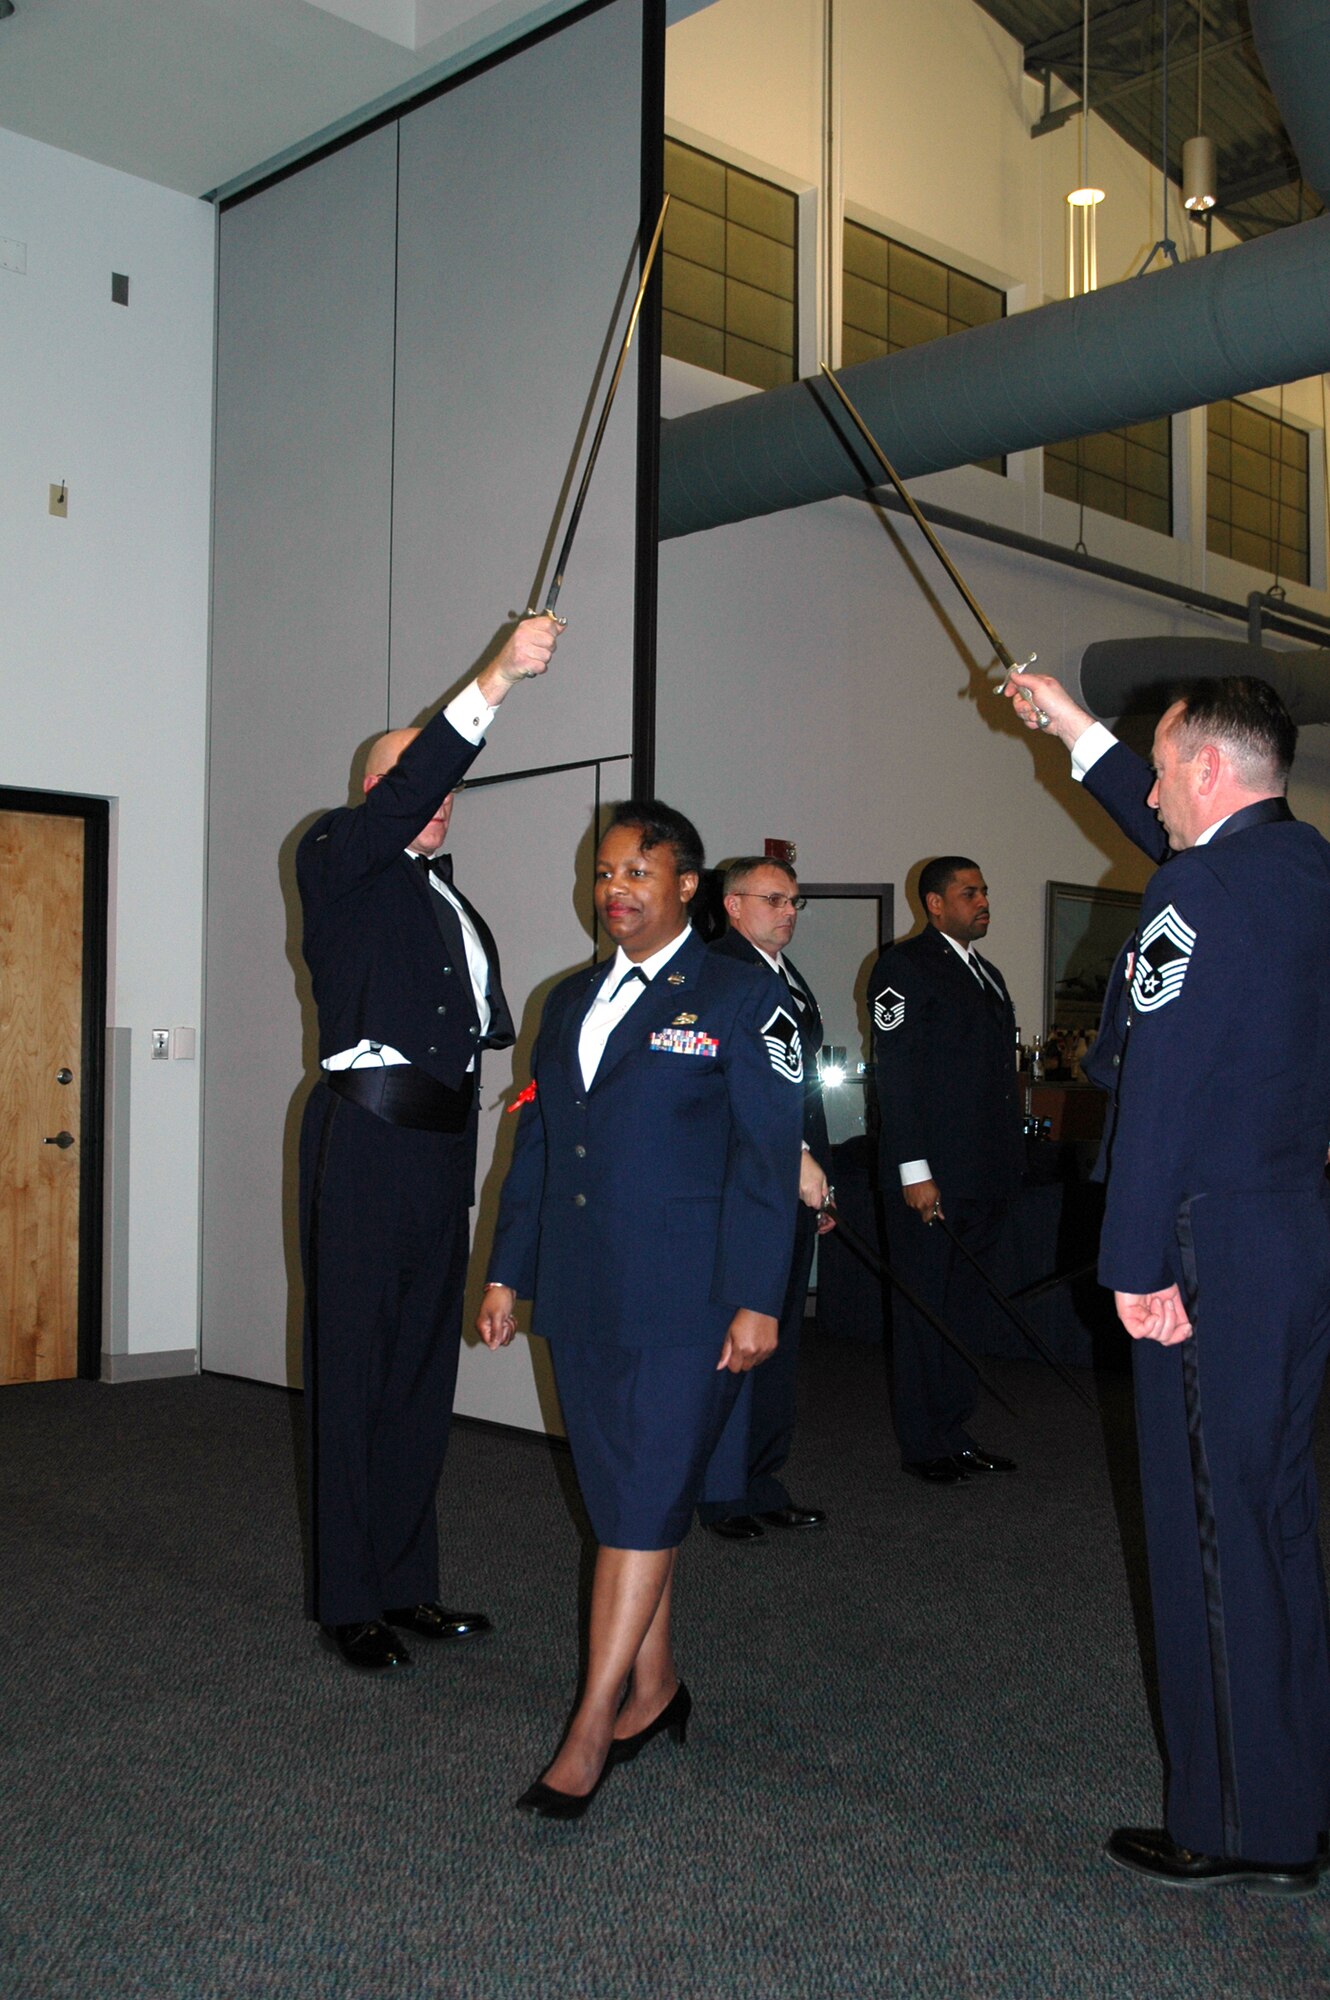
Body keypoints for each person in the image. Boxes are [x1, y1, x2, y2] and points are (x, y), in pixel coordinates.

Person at [1004, 668, 1330, 1893]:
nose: (1145, 789)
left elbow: (1157, 1099)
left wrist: (1128, 1264)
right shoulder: (1302, 870)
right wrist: (1072, 726)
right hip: (1291, 1228)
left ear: (1204, 768)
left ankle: (1237, 1825)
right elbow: (1187, 848)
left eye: (1156, 762)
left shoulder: (1199, 892)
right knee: (1273, 1521)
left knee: (1209, 1535)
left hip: (1202, 1245)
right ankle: (1295, 1791)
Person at [478, 802, 803, 1819]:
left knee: (640, 1500)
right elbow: (538, 1146)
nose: (615, 888)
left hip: (688, 1296)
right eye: (604, 872)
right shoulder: (567, 998)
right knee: (628, 1497)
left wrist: (759, 1295)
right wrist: (505, 1270)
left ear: (687, 886)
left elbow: (765, 1155)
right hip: (581, 1287)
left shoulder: (741, 995)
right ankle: (657, 1690)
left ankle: (591, 1726)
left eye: (638, 872)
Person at [296, 614, 560, 1673]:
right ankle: (346, 1598)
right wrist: (495, 678)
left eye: (447, 787)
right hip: (363, 1141)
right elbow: (411, 783)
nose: (439, 798)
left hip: (435, 1151)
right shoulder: (337, 856)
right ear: (377, 796)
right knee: (354, 1370)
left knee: (414, 1375)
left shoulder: (448, 898)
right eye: (417, 783)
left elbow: (476, 1026)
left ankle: (407, 1582)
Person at [867, 858, 1023, 1484]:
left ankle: (955, 1429)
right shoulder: (903, 967)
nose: (982, 901)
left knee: (965, 1308)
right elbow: (896, 1070)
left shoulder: (987, 973)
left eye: (984, 890)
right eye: (968, 892)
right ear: (934, 904)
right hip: (929, 1175)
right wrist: (913, 1168)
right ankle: (923, 1443)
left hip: (984, 1175)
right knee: (924, 1308)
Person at [700, 855, 833, 1542]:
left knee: (780, 1336)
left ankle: (761, 1477)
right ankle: (722, 1492)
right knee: (740, 1340)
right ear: (732, 904)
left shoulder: (787, 979)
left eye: (794, 902)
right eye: (774, 899)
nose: (788, 912)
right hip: (749, 1184)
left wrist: (819, 1179)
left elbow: (803, 1091)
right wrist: (788, 1165)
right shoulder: (719, 972)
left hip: (794, 1183)